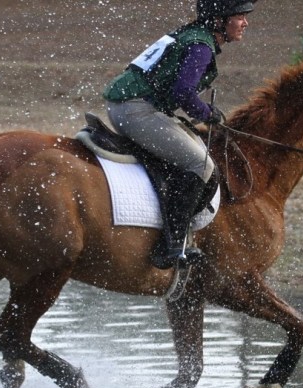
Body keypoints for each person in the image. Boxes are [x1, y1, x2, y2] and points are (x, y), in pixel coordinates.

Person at [103, 0, 253, 269]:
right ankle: (170, 247)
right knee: (200, 164)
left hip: (128, 104)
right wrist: (207, 113)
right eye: (239, 16)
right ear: (219, 20)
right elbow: (182, 93)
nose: (245, 23)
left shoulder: (190, 34)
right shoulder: (200, 46)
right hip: (135, 109)